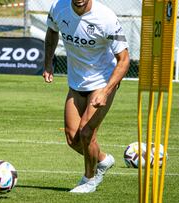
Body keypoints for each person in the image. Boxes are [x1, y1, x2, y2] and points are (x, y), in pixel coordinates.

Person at [43, 0, 130, 193]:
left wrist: (107, 91)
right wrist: (48, 62)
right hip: (76, 82)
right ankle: (102, 160)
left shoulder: (106, 18)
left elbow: (124, 60)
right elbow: (51, 32)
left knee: (86, 132)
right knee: (72, 138)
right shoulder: (58, 8)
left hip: (102, 82)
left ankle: (89, 180)